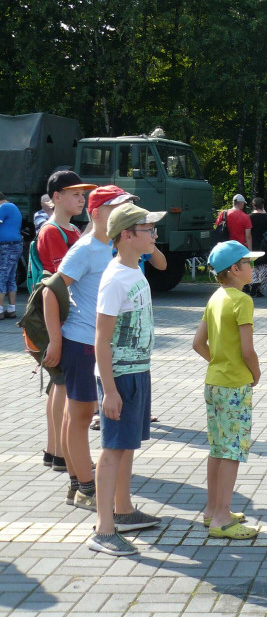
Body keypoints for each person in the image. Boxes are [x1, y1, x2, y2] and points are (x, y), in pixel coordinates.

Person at [46, 186, 138, 511]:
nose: (125, 214)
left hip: (101, 345)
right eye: (117, 208)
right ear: (97, 215)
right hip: (81, 344)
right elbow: (50, 292)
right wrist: (56, 341)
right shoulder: (85, 249)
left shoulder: (117, 247)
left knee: (80, 414)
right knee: (81, 414)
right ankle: (84, 486)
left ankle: (78, 484)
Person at [89, 203, 166, 556]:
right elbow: (101, 339)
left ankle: (123, 510)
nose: (154, 234)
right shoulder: (116, 278)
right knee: (112, 450)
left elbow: (160, 263)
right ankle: (104, 530)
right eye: (148, 229)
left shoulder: (134, 269)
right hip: (120, 376)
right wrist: (109, 390)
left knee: (127, 446)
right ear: (127, 235)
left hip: (137, 370)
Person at [191, 240, 263, 540]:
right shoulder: (242, 301)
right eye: (249, 263)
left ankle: (212, 510)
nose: (253, 268)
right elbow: (248, 350)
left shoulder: (216, 297)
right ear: (235, 270)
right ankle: (222, 517)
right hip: (234, 384)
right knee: (232, 450)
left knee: (218, 448)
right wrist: (255, 373)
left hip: (214, 381)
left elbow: (198, 343)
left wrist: (219, 362)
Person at [38, 171, 97, 472]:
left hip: (64, 319)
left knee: (58, 385)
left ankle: (55, 450)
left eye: (83, 194)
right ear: (55, 197)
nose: (81, 198)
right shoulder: (52, 232)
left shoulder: (71, 230)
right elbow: (62, 283)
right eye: (74, 193)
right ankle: (61, 453)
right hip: (57, 321)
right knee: (61, 385)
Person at [0, 191, 21, 321]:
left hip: (7, 246)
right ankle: (11, 309)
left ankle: (0, 310)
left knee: (1, 276)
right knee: (10, 277)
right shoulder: (13, 206)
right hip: (15, 245)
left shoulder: (4, 207)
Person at [249, 198, 267, 297]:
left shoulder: (250, 217)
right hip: (266, 245)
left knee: (254, 266)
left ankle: (254, 282)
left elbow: (248, 232)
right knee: (265, 267)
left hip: (253, 244)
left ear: (253, 205)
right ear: (262, 205)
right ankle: (260, 288)